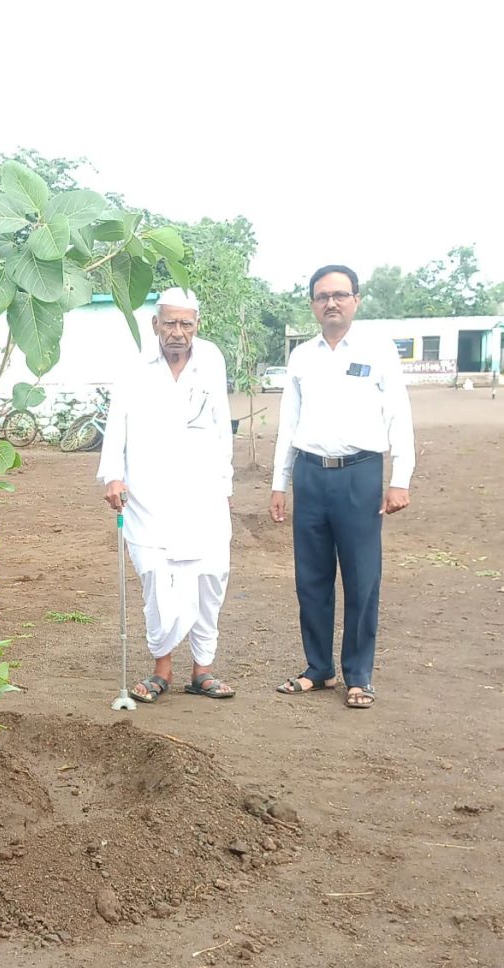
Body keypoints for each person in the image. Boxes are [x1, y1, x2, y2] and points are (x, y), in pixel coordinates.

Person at [269, 264, 415, 709]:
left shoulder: (379, 350)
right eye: (321, 296)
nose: (330, 302)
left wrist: (400, 479)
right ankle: (318, 668)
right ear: (313, 304)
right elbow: (288, 423)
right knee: (311, 578)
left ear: (356, 300)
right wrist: (281, 483)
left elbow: (399, 416)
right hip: (311, 475)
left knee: (361, 578)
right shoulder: (301, 357)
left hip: (361, 475)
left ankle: (358, 674)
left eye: (339, 294)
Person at [98, 287, 235, 703]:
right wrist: (113, 477)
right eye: (170, 323)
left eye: (186, 323)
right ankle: (162, 669)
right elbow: (115, 424)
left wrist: (226, 485)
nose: (178, 332)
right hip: (148, 495)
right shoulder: (135, 366)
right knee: (156, 577)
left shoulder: (212, 361)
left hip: (204, 495)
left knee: (210, 579)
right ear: (155, 324)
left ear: (196, 325)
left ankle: (203, 671)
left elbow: (221, 423)